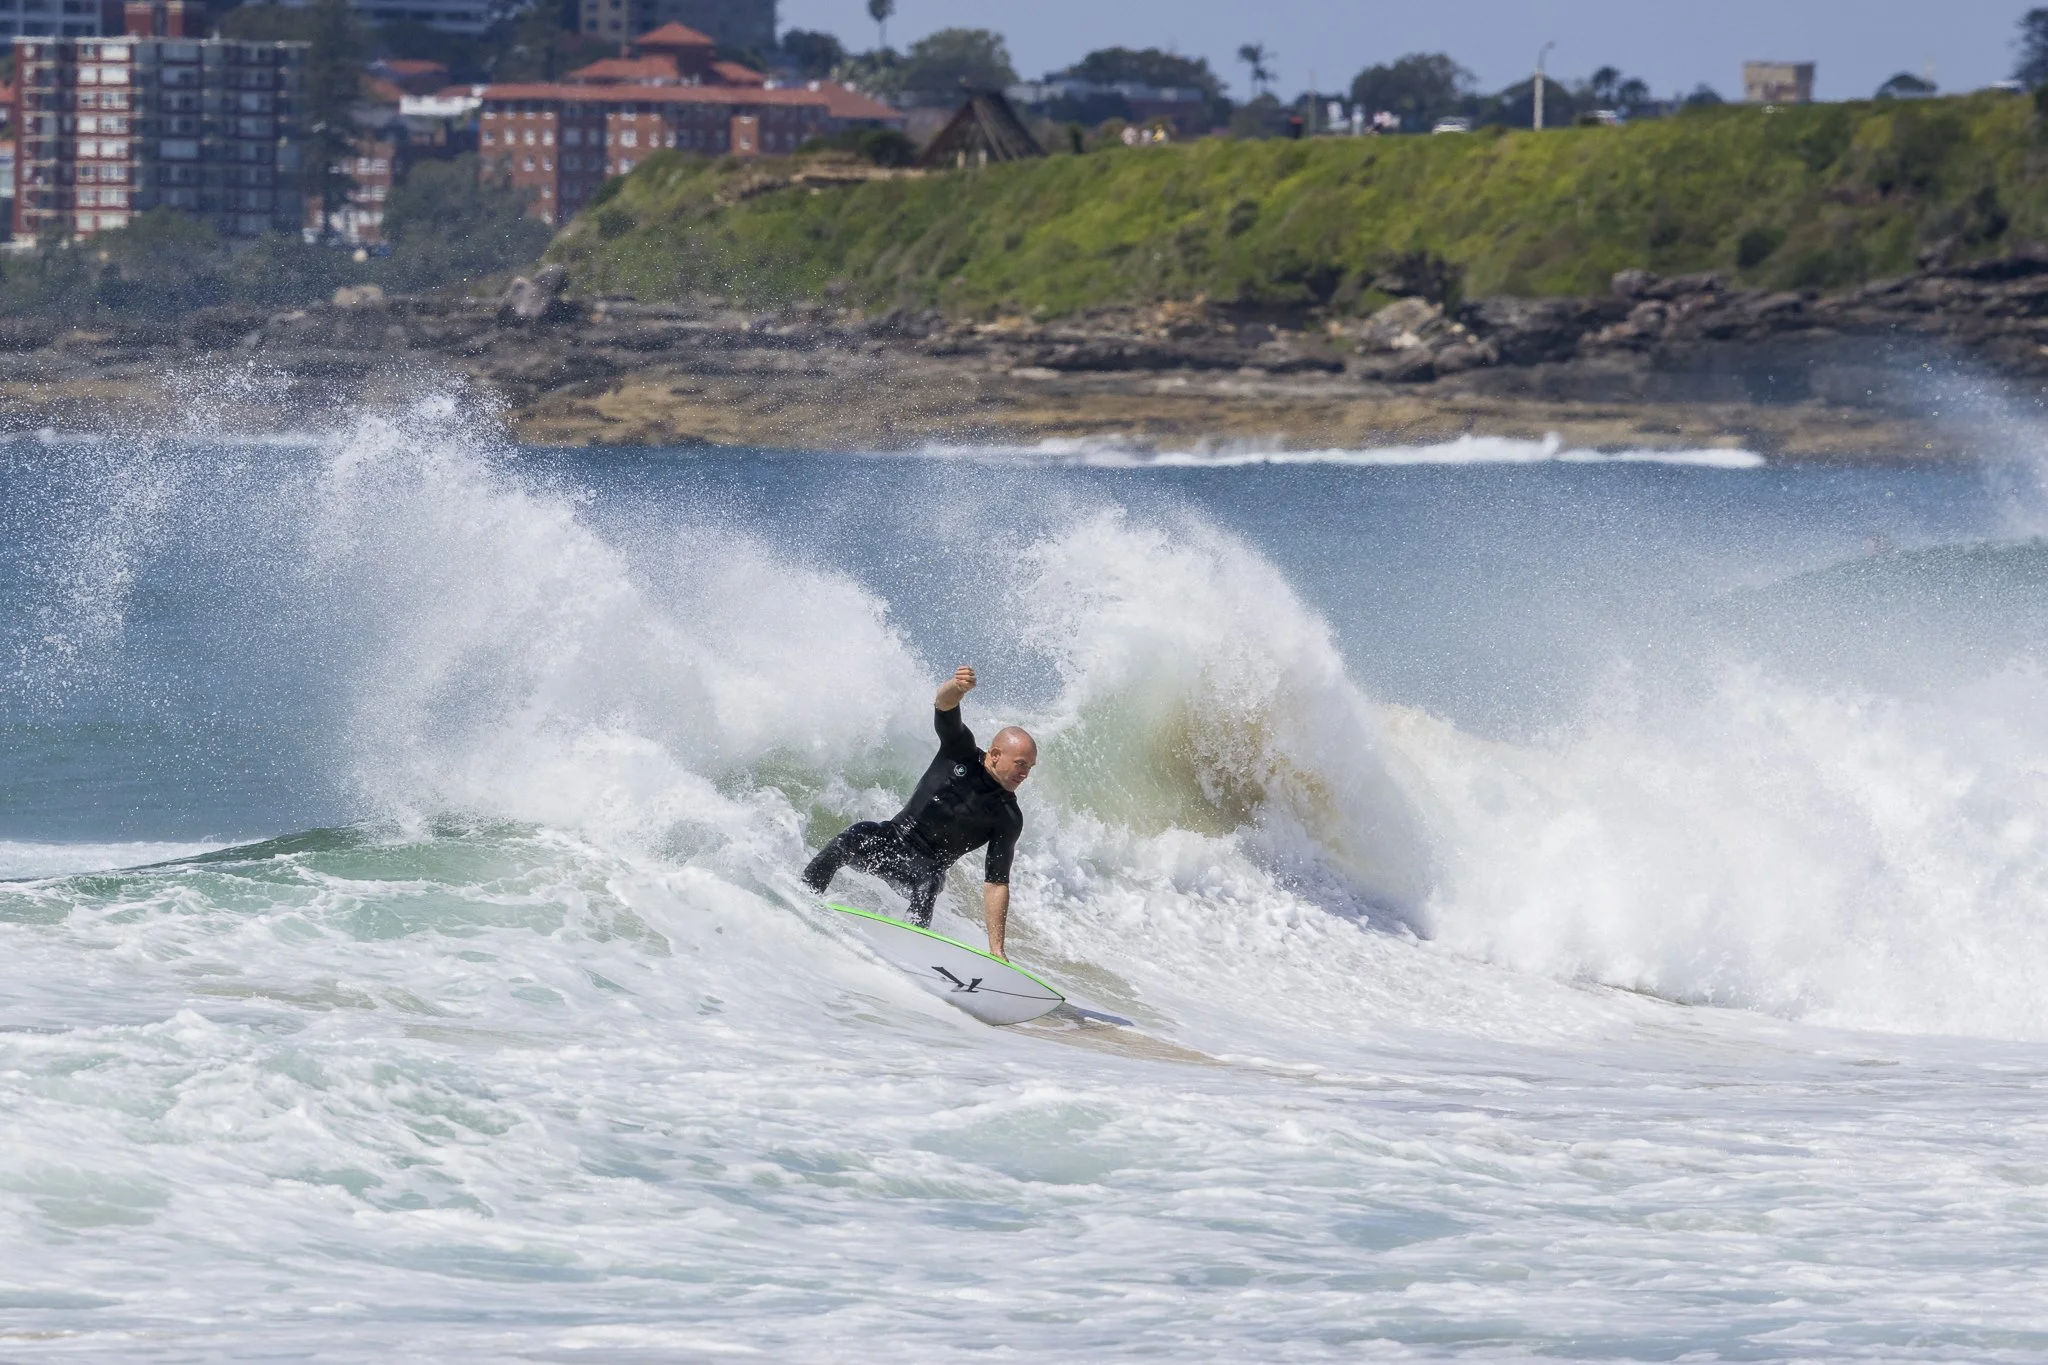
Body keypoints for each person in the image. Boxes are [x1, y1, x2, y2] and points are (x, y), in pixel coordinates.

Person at [802, 666, 1036, 959]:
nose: (1025, 773)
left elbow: (996, 882)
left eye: (1030, 767)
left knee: (928, 885)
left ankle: (908, 955)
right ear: (996, 754)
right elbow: (944, 705)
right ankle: (802, 898)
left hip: (925, 868)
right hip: (892, 839)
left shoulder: (1007, 817)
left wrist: (997, 950)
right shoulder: (960, 750)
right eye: (1021, 764)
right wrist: (956, 686)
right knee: (853, 836)